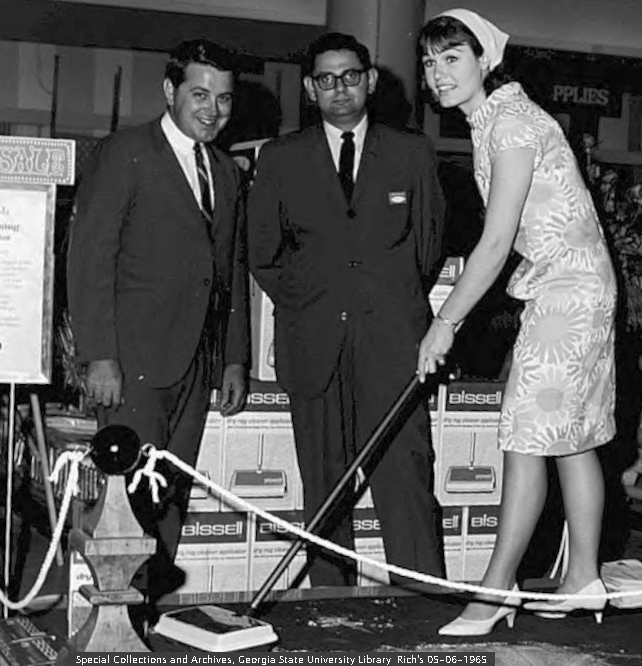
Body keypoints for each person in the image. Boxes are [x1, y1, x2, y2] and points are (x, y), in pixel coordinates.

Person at [417, 9, 617, 635]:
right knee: (571, 437)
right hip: (573, 285)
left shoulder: (509, 124)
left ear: (485, 60)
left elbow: (497, 241)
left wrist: (446, 321)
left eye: (452, 58)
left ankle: (496, 590)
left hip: (569, 291)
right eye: (430, 61)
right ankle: (582, 578)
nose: (437, 73)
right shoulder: (498, 119)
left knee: (525, 436)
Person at [247, 32, 447, 587]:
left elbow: (428, 247)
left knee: (405, 480)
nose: (340, 88)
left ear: (371, 81)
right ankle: (329, 609)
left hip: (392, 344)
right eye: (327, 79)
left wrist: (380, 301)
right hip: (313, 344)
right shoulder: (281, 158)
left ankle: (422, 602)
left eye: (351, 76)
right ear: (311, 89)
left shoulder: (411, 153)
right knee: (325, 488)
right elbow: (263, 254)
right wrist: (314, 301)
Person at [67, 39, 250, 607]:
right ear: (170, 91)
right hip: (132, 363)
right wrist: (100, 354)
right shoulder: (125, 152)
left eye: (223, 99)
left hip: (196, 363)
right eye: (200, 94)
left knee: (169, 496)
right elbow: (90, 256)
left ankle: (146, 612)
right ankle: (114, 620)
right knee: (125, 502)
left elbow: (229, 271)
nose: (212, 110)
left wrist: (234, 357)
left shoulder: (225, 171)